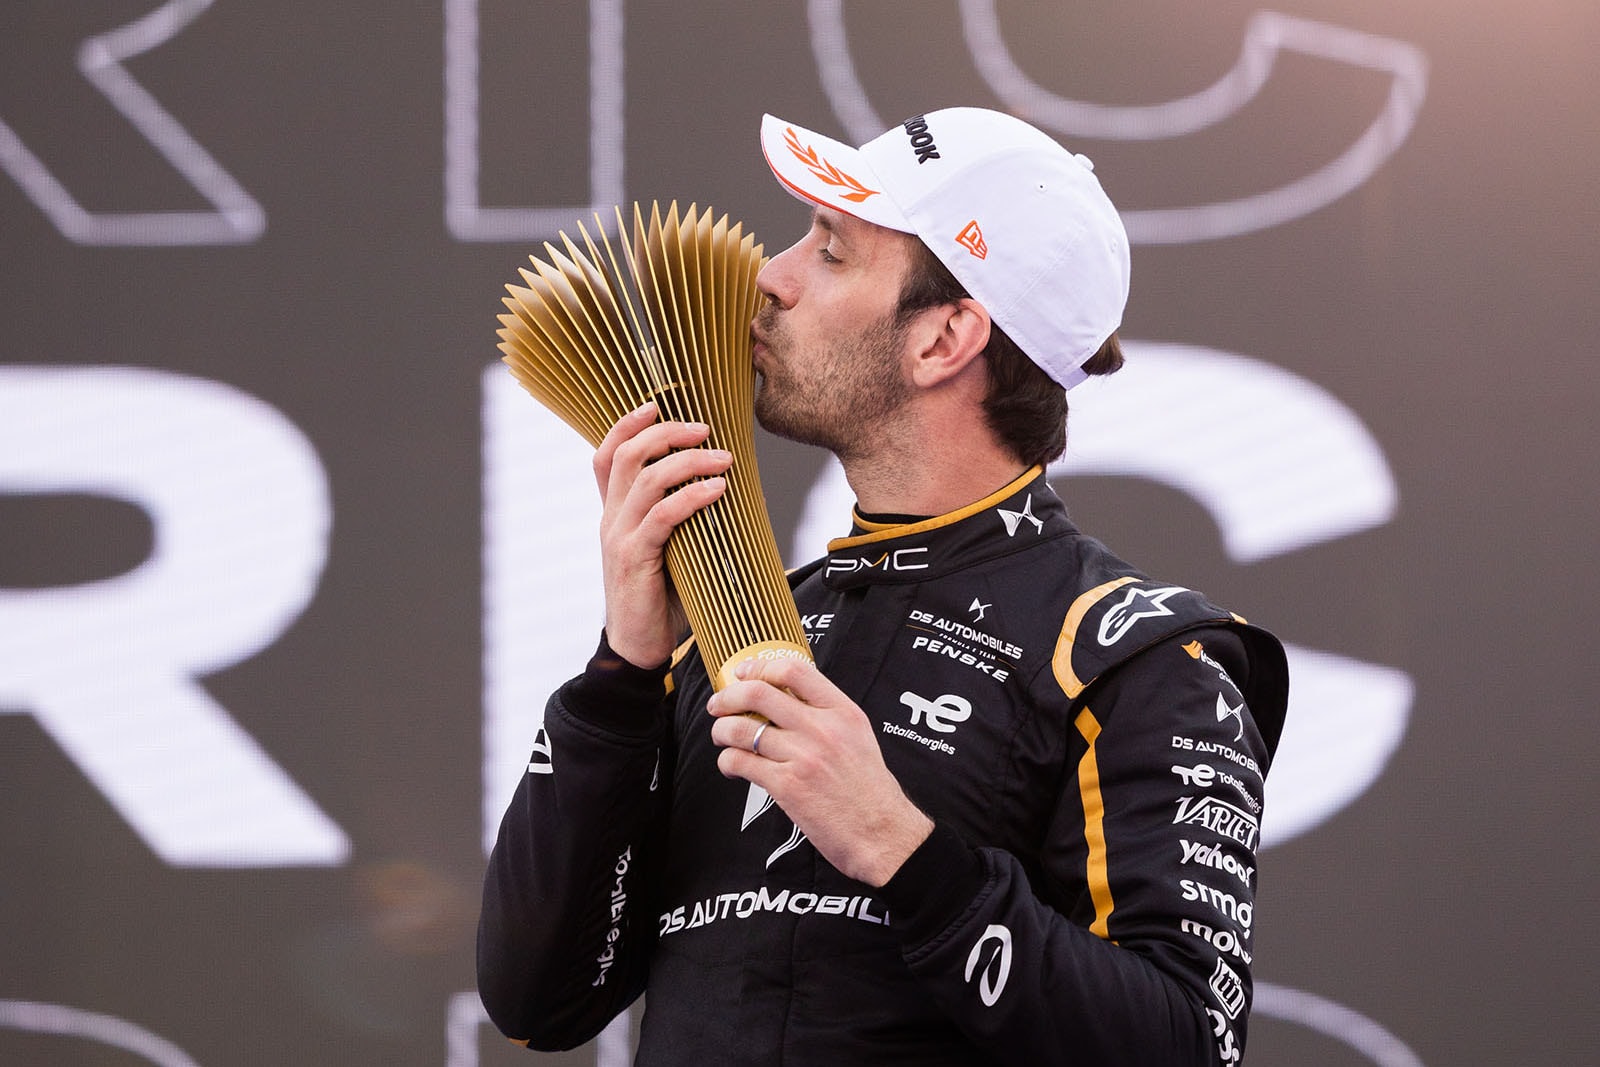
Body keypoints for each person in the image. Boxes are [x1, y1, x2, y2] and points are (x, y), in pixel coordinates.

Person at [477, 107, 1289, 1066]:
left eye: (831, 251)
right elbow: (536, 1001)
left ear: (943, 339)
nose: (770, 276)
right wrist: (622, 672)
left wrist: (901, 847)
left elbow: (1190, 1042)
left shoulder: (1138, 654)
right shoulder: (734, 621)